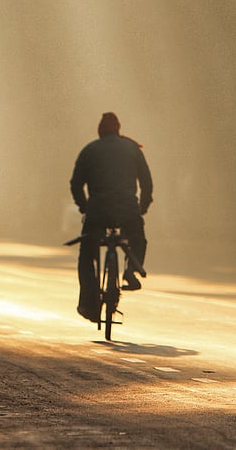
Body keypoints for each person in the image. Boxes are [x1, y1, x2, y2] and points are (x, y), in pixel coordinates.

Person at [69, 112, 153, 322]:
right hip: (128, 210)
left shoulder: (89, 150)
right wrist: (141, 208)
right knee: (137, 239)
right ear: (118, 129)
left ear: (99, 132)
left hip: (97, 211)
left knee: (87, 252)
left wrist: (84, 207)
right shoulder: (133, 149)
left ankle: (89, 304)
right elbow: (147, 182)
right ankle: (131, 271)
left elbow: (76, 184)